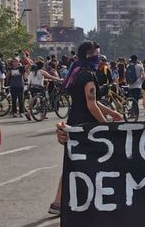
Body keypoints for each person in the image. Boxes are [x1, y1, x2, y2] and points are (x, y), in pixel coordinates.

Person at [48, 41, 123, 215]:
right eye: (97, 54)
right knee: (99, 160)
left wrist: (113, 112)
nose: (99, 58)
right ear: (90, 55)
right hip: (86, 126)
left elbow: (91, 101)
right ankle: (95, 198)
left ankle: (58, 203)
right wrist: (105, 125)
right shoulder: (88, 75)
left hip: (74, 121)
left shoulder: (76, 72)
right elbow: (91, 105)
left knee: (73, 162)